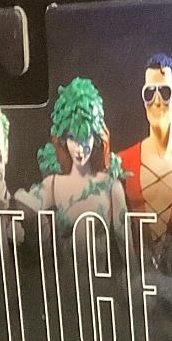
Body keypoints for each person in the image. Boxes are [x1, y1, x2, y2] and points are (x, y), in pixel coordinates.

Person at [14, 76, 127, 244]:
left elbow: (126, 246)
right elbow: (24, 206)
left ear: (96, 138)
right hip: (64, 262)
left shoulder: (110, 186)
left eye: (85, 138)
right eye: (73, 138)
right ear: (63, 139)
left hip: (100, 262)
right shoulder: (53, 185)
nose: (80, 148)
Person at [118, 52, 172, 264]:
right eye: (149, 93)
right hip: (136, 278)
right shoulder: (121, 163)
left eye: (164, 91)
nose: (157, 101)